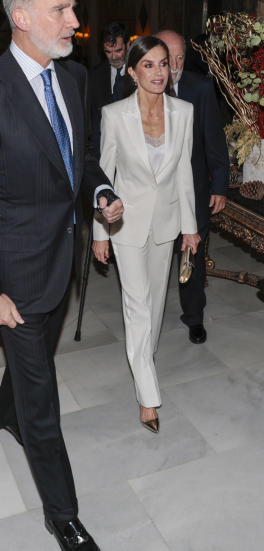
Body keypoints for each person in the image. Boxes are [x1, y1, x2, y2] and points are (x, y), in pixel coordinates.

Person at [0, 0, 123, 551]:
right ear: (22, 17)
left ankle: (4, 409)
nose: (76, 19)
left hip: (60, 266)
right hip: (14, 278)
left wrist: (98, 190)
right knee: (42, 397)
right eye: (62, 9)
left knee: (28, 373)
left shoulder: (72, 80)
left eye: (73, 7)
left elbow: (79, 157)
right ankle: (62, 515)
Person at [93, 36, 200, 433]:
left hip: (167, 223)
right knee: (136, 306)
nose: (159, 72)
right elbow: (103, 178)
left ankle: (143, 362)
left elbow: (185, 174)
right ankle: (149, 398)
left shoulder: (184, 111)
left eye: (164, 64)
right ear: (133, 72)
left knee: (154, 307)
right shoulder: (114, 115)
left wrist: (189, 227)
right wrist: (100, 232)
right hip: (124, 224)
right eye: (149, 65)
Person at [156, 30, 229, 344]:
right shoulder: (139, 87)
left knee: (192, 257)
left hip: (194, 191)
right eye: (166, 58)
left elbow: (215, 141)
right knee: (154, 258)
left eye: (180, 57)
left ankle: (194, 317)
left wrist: (220, 186)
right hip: (155, 194)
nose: (173, 65)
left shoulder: (200, 88)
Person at [89, 22, 130, 159]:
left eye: (118, 50)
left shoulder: (140, 72)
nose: (113, 57)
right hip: (104, 150)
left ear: (128, 45)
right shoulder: (95, 74)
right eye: (108, 52)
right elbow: (92, 117)